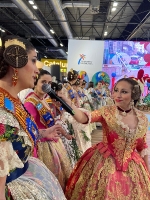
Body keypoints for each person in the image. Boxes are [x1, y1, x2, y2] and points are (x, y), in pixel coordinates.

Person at [59, 78, 150, 199]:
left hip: (132, 169)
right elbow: (84, 118)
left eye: (124, 92)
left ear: (134, 94)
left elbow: (142, 147)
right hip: (103, 164)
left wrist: (148, 173)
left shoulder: (142, 119)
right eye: (116, 90)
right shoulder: (106, 111)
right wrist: (68, 104)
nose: (118, 95)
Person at [0, 36, 66, 199]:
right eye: (33, 60)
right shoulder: (2, 110)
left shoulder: (11, 100)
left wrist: (43, 133)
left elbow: (16, 139)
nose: (37, 69)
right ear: (15, 61)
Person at [24, 69, 72, 190]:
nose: (47, 86)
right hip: (43, 147)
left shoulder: (45, 99)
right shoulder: (30, 102)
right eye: (43, 82)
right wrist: (46, 135)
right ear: (35, 81)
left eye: (49, 83)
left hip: (53, 143)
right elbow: (29, 130)